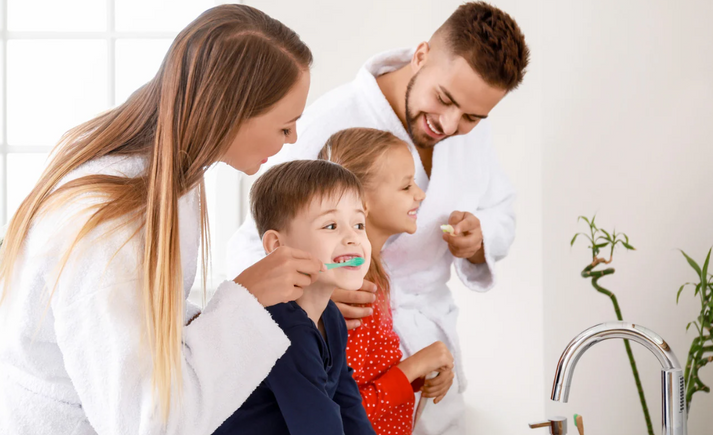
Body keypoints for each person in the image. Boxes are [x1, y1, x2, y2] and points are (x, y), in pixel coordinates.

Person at [0, 5, 323, 435]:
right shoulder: (108, 230)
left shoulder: (171, 178)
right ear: (227, 112)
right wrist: (246, 300)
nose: (293, 140)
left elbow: (137, 317)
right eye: (285, 126)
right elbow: (144, 422)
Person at [227, 3, 530, 434]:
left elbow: (502, 208)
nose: (449, 124)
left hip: (422, 346)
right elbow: (257, 241)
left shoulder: (470, 129)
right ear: (421, 56)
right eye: (444, 99)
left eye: (472, 117)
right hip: (353, 335)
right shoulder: (327, 124)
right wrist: (315, 296)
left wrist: (480, 238)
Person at [215, 160, 375, 435]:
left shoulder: (331, 316)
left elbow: (348, 406)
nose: (353, 238)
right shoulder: (284, 328)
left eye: (359, 224)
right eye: (331, 226)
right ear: (277, 246)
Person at [319, 128, 454, 435]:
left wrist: (423, 375)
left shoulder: (373, 275)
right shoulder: (354, 289)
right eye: (406, 186)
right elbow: (341, 411)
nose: (419, 194)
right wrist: (417, 364)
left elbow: (366, 380)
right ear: (362, 203)